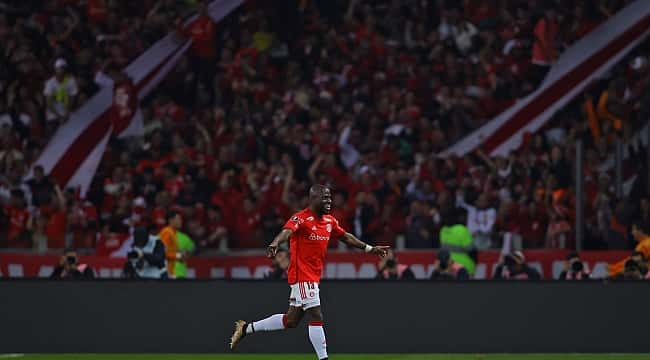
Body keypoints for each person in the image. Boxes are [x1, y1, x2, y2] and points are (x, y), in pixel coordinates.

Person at [229, 185, 389, 359]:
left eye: (330, 198)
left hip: (313, 276)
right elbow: (286, 232)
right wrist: (275, 243)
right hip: (302, 275)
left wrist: (369, 248)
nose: (329, 201)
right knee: (316, 314)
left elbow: (345, 237)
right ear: (313, 199)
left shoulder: (329, 221)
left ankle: (246, 328)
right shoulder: (301, 218)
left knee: (291, 320)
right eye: (325, 198)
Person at [159, 211, 184, 278]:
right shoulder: (167, 232)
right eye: (178, 219)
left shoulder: (173, 233)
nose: (181, 221)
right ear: (170, 220)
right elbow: (161, 252)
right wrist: (178, 255)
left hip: (170, 271)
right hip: (165, 272)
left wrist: (179, 255)